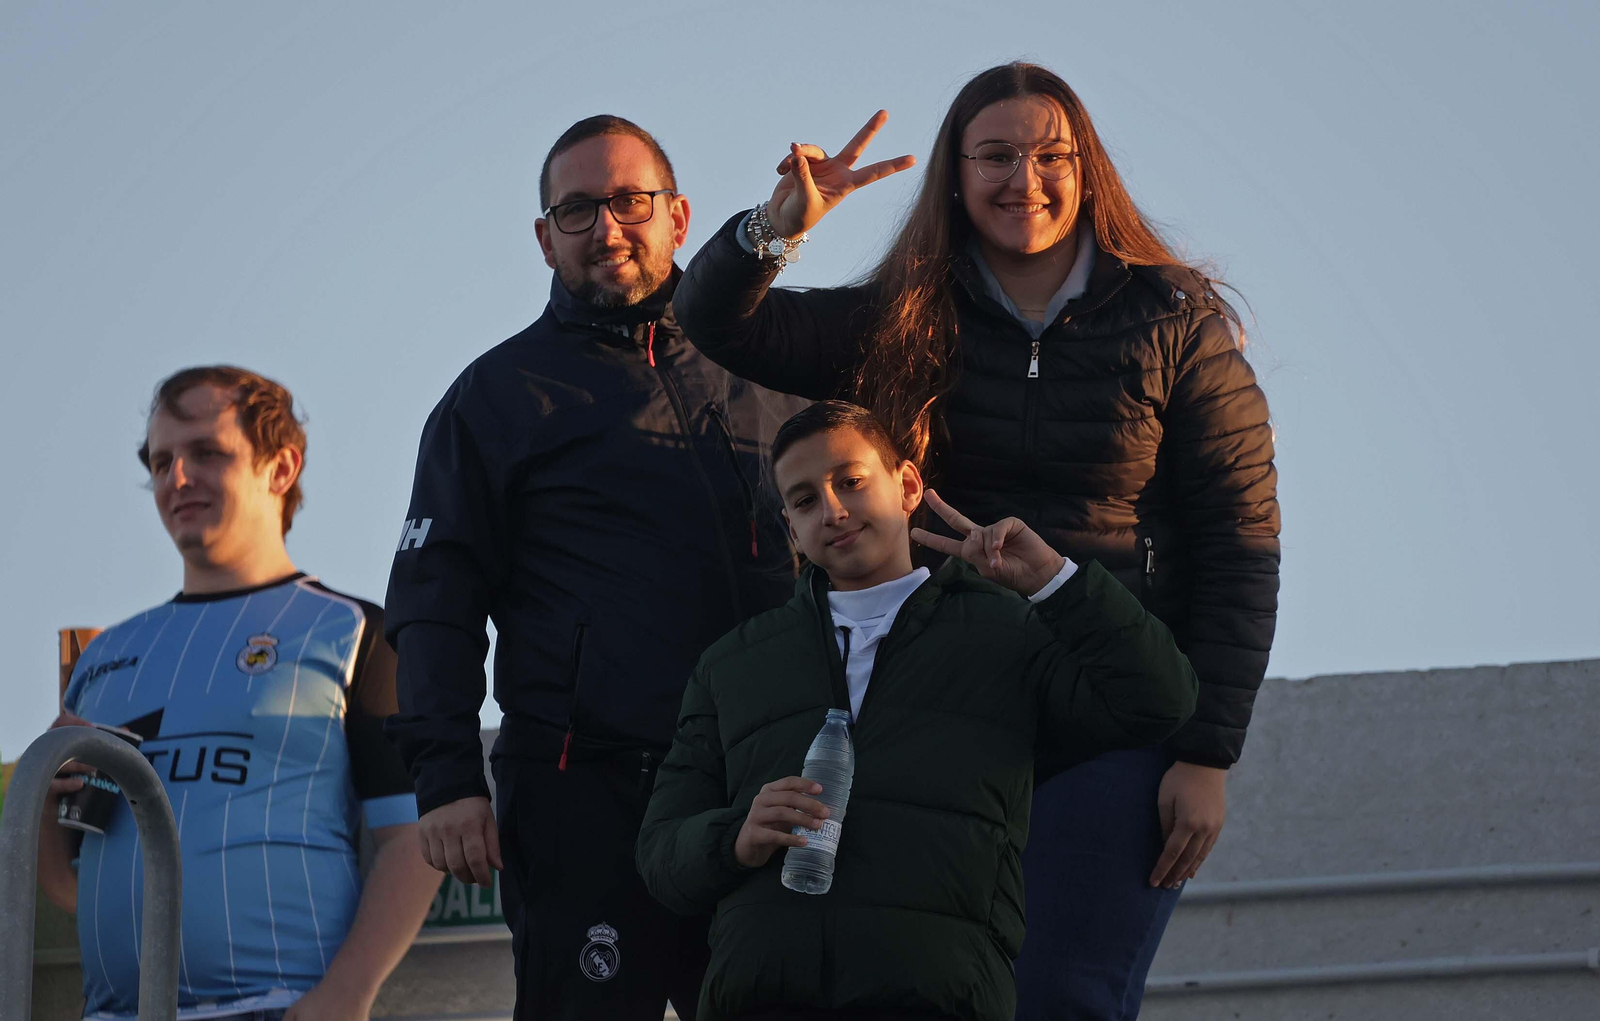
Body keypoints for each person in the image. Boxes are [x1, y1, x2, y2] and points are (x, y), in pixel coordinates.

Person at [671, 64, 1282, 1019]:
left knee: (1067, 997)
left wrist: (1209, 754)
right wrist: (779, 224)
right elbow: (712, 319)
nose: (1023, 180)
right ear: (955, 176)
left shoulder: (1175, 321)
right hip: (949, 709)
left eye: (1050, 156)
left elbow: (1241, 542)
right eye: (994, 157)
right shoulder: (901, 312)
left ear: (1088, 171)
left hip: (1111, 716)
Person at [383, 115, 807, 1021]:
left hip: (768, 781)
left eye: (630, 200)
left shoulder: (773, 373)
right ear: (544, 237)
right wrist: (450, 779)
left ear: (680, 216)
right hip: (587, 796)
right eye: (577, 209)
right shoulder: (494, 398)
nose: (607, 227)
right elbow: (433, 604)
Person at [636, 400, 1198, 1021]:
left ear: (906, 486)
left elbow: (1159, 700)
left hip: (939, 996)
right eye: (804, 501)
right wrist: (735, 838)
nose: (833, 511)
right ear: (791, 530)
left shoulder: (1004, 631)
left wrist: (1054, 582)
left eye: (851, 482)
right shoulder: (733, 664)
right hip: (762, 998)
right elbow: (662, 855)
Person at [37, 366, 440, 1021]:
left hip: (278, 1004)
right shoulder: (105, 658)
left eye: (206, 453)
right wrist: (44, 809)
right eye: (162, 459)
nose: (178, 478)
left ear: (281, 467)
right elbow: (73, 884)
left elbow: (413, 837)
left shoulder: (358, 630)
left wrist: (346, 994)